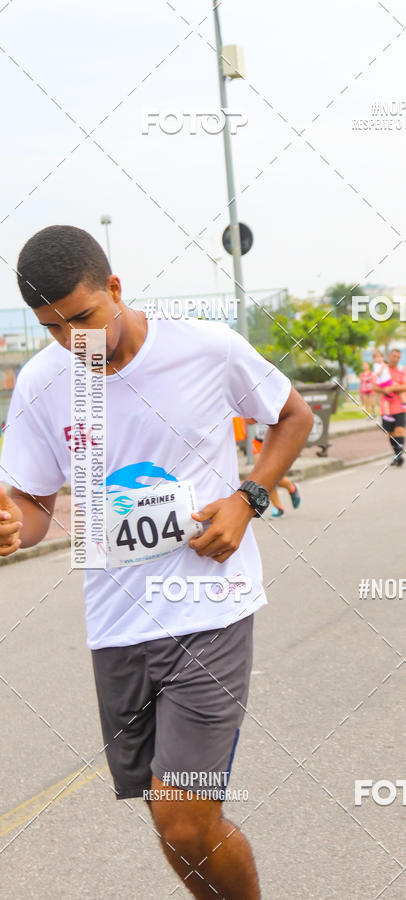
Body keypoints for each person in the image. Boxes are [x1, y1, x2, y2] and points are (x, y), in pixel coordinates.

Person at [0, 225, 313, 899]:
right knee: (174, 827)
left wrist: (248, 496)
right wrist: (9, 529)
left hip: (211, 611)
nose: (72, 339)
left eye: (83, 317)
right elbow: (31, 504)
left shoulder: (204, 348)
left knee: (182, 814)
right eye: (52, 327)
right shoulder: (42, 383)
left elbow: (292, 416)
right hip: (115, 628)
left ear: (114, 289)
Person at [249, 420, 301, 517]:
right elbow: (249, 420)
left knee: (271, 475)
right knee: (263, 476)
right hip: (259, 440)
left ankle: (291, 487)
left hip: (275, 441)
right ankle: (279, 508)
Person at [372, 347, 406, 467]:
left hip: (399, 406)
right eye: (394, 356)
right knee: (391, 433)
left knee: (399, 430)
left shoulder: (403, 369)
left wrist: (393, 388)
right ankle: (396, 454)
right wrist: (385, 389)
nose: (396, 359)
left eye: (398, 357)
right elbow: (374, 387)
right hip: (386, 408)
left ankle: (398, 456)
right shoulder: (382, 368)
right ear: (389, 356)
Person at [372, 349, 395, 419]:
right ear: (374, 359)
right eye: (377, 357)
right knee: (387, 399)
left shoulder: (383, 364)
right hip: (384, 383)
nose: (379, 359)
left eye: (381, 357)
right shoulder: (376, 365)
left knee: (388, 399)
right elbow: (378, 374)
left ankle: (387, 414)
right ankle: (386, 414)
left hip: (387, 381)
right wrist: (382, 368)